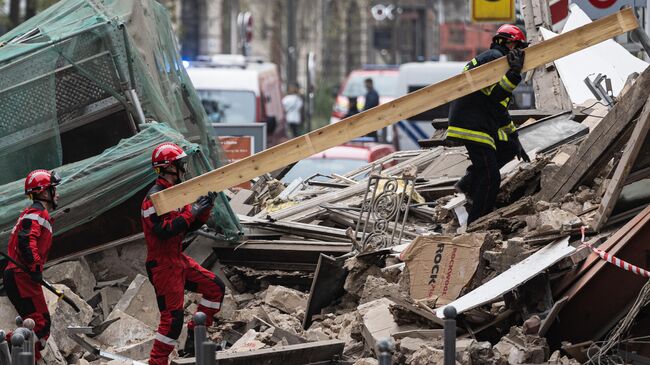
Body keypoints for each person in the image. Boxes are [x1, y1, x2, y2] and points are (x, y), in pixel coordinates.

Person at [141, 143, 225, 364]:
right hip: (162, 265)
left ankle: (193, 340)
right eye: (180, 164)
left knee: (215, 288)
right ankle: (157, 362)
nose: (184, 168)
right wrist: (192, 212)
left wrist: (204, 208)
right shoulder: (154, 198)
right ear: (169, 167)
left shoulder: (175, 194)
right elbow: (165, 230)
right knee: (172, 320)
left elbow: (190, 225)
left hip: (177, 260)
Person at [446, 24, 531, 224]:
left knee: (507, 148)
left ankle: (468, 183)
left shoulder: (492, 58)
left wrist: (514, 138)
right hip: (473, 124)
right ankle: (477, 223)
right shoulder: (495, 59)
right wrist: (514, 74)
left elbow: (499, 107)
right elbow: (495, 96)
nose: (520, 53)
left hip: (477, 120)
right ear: (508, 43)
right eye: (518, 47)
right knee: (491, 178)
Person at [3, 169, 61, 360]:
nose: (57, 194)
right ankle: (8, 348)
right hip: (22, 277)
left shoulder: (32, 214)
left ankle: (14, 351)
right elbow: (26, 241)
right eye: (54, 189)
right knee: (41, 326)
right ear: (44, 193)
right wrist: (36, 268)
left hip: (19, 276)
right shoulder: (36, 213)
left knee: (34, 326)